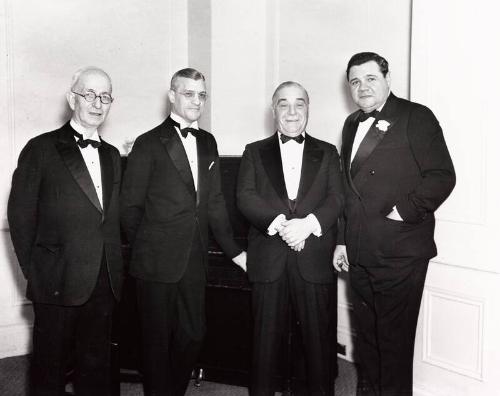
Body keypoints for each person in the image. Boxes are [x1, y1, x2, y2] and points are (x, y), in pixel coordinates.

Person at [333, 52, 456, 396]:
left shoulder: (415, 117)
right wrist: (342, 240)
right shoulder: (351, 124)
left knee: (394, 341)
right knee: (367, 339)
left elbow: (442, 176)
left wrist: (402, 211)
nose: (363, 87)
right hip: (360, 251)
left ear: (388, 79)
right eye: (355, 81)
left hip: (400, 252)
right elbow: (347, 189)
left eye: (370, 78)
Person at [120, 67, 247, 396]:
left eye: (201, 95)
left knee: (193, 334)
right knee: (155, 341)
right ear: (172, 96)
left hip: (194, 258)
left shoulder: (207, 141)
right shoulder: (148, 143)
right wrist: (147, 248)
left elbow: (215, 201)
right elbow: (130, 206)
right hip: (154, 261)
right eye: (189, 94)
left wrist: (235, 252)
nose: (196, 101)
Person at [7, 67, 123, 395]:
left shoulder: (113, 155)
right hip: (56, 282)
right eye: (89, 94)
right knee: (50, 371)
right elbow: (20, 217)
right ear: (72, 98)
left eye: (105, 97)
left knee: (97, 370)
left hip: (103, 282)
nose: (97, 103)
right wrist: (41, 272)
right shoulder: (41, 149)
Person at [237, 81, 344, 396]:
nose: (292, 111)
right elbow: (245, 197)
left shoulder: (328, 151)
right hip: (269, 261)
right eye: (284, 103)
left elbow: (337, 198)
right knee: (264, 348)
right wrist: (284, 225)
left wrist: (308, 225)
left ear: (308, 109)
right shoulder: (254, 151)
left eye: (300, 103)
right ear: (273, 111)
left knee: (319, 348)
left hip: (314, 261)